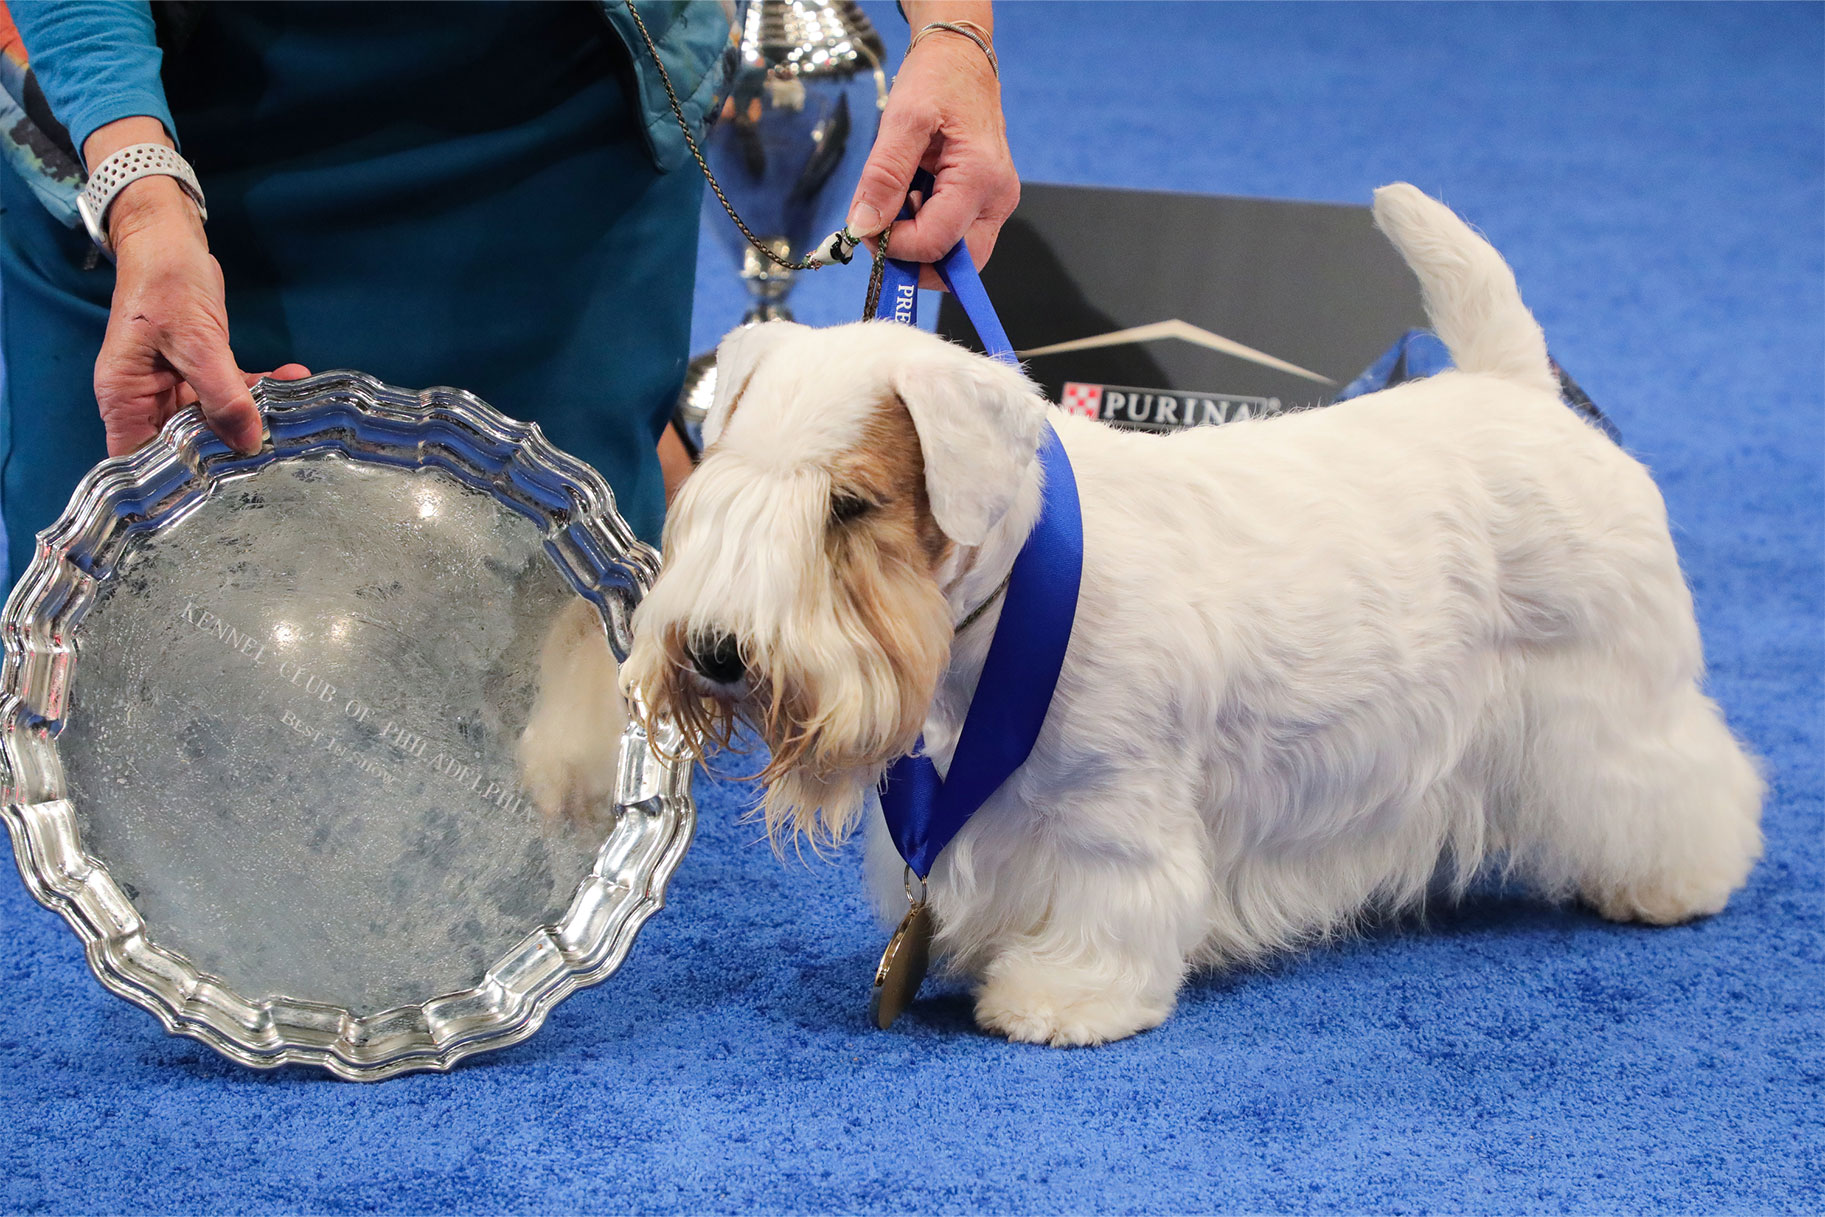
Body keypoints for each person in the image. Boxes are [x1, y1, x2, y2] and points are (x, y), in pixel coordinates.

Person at [0, 1, 1017, 583]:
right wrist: (139, 198)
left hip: (546, 115)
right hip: (160, 130)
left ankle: (623, 427)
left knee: (546, 719)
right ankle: (653, 452)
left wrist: (952, 40)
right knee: (108, 704)